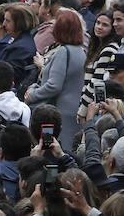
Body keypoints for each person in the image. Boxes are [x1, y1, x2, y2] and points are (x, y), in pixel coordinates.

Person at [25, 9, 86, 145]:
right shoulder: (80, 51)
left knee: (55, 150)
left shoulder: (63, 52)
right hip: (72, 111)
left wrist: (32, 95)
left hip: (59, 113)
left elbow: (54, 85)